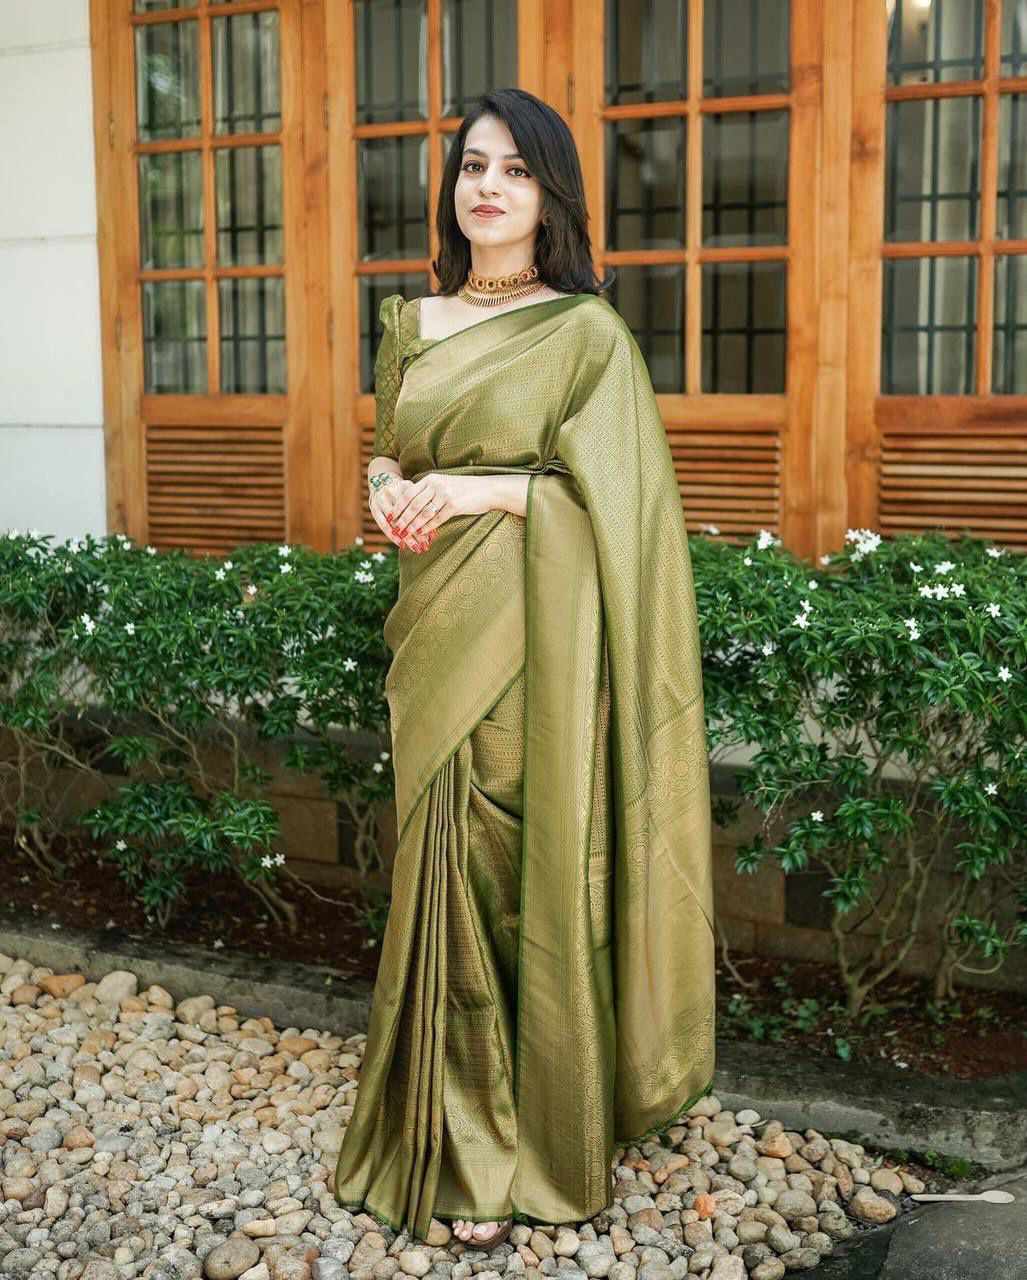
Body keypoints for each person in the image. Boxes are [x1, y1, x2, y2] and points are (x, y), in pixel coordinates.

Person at [333, 87, 715, 1251]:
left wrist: (477, 489)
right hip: (433, 617)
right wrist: (388, 491)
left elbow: (624, 505)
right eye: (470, 166)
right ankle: (436, 1115)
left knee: (504, 862)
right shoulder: (411, 323)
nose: (487, 187)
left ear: (551, 196)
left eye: (513, 169)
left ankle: (506, 1139)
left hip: (533, 630)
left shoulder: (585, 335)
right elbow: (391, 450)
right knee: (436, 854)